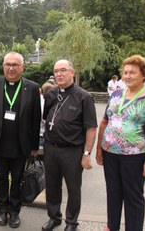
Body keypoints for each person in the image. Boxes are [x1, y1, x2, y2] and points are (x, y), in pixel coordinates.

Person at [96, 55, 145, 231]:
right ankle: (112, 227)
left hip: (135, 156)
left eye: (132, 72)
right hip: (110, 153)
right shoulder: (116, 95)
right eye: (125, 72)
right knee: (113, 193)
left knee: (133, 196)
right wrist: (98, 149)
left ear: (143, 75)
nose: (127, 76)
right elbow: (104, 122)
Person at [0, 52, 41, 228]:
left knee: (17, 179)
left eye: (15, 65)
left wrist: (34, 146)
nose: (11, 68)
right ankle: (2, 210)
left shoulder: (32, 87)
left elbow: (36, 120)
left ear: (23, 67)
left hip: (21, 145)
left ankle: (14, 212)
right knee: (0, 178)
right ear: (3, 66)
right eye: (7, 64)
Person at [41, 60, 97, 231]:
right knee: (51, 184)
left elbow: (91, 128)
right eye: (56, 71)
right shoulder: (50, 94)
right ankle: (54, 217)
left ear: (72, 73)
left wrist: (87, 153)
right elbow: (46, 119)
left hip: (72, 150)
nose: (59, 74)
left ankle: (71, 222)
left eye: (63, 70)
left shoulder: (84, 97)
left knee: (73, 188)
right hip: (51, 147)